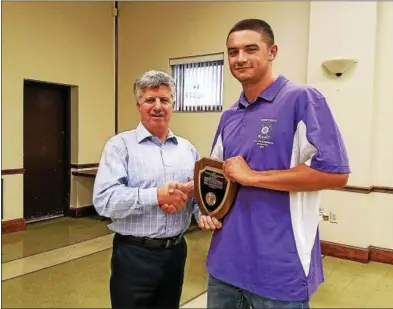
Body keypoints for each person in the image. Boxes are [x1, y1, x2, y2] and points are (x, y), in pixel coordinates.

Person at [198, 19, 351, 309]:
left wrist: (253, 177)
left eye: (250, 49)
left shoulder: (302, 99)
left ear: (272, 52)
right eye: (232, 52)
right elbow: (217, 175)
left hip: (279, 271)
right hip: (224, 265)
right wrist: (205, 209)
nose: (240, 58)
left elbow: (335, 174)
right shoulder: (230, 115)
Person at [93, 70, 198, 309]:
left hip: (176, 253)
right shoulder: (120, 146)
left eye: (165, 100)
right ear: (139, 104)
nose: (158, 106)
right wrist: (156, 196)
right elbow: (104, 200)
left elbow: (196, 198)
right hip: (134, 256)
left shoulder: (188, 150)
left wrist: (206, 213)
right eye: (151, 100)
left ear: (173, 104)